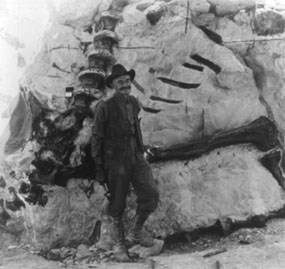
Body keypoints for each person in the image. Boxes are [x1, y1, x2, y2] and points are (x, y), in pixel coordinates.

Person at [91, 64, 159, 262]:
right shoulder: (104, 107)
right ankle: (119, 244)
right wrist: (99, 169)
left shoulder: (134, 102)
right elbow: (96, 138)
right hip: (115, 161)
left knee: (151, 193)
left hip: (136, 157)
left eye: (127, 81)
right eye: (120, 82)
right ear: (112, 85)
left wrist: (142, 149)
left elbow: (135, 128)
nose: (125, 85)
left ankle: (136, 232)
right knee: (117, 202)